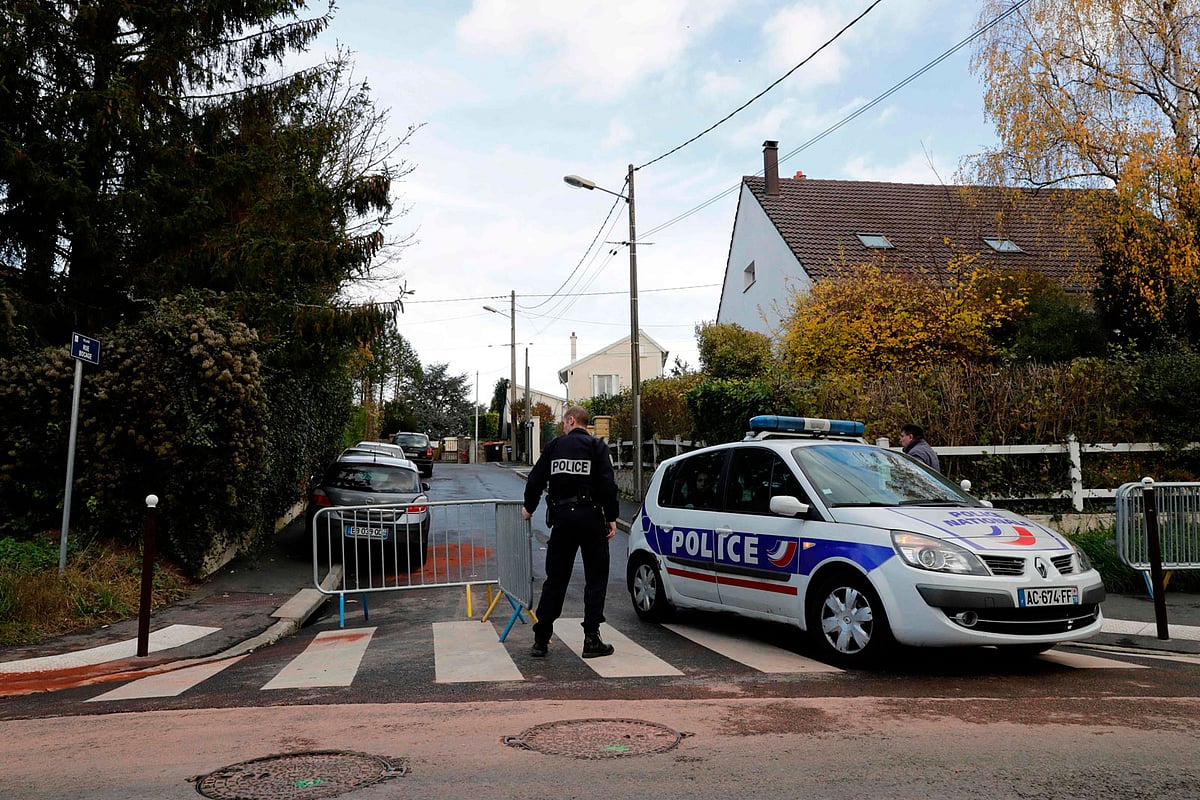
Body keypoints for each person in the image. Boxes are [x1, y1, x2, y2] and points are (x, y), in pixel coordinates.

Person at [522, 405, 620, 659]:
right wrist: (611, 517)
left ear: (572, 420)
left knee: (555, 578)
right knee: (596, 577)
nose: (563, 428)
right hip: (591, 518)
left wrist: (529, 507)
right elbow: (608, 485)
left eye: (564, 423)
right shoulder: (598, 448)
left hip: (563, 519)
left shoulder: (555, 447)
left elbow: (535, 479)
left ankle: (541, 639)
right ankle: (591, 639)